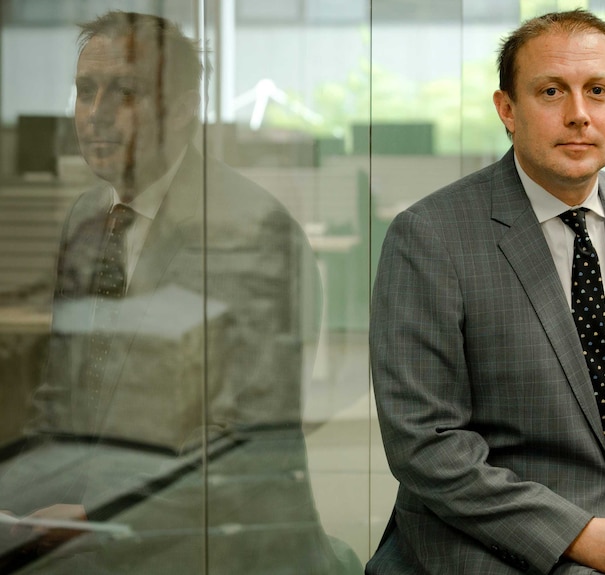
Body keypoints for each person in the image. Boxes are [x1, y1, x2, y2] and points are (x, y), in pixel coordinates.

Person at [368, 9, 605, 575]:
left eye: (597, 91)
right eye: (552, 91)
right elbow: (425, 444)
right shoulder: (429, 237)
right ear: (507, 109)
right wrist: (573, 533)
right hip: (482, 536)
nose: (578, 114)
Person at [0, 11, 360, 574]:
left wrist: (94, 515)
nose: (94, 116)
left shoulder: (249, 229)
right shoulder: (89, 216)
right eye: (85, 91)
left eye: (126, 93)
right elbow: (64, 400)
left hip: (208, 532)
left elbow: (243, 445)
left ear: (185, 110)